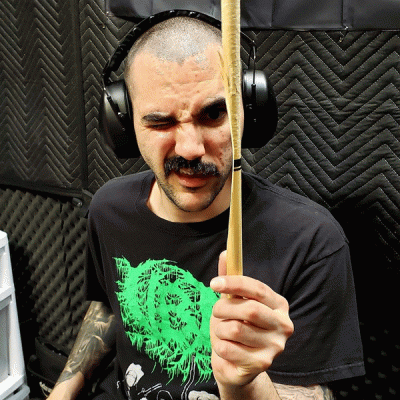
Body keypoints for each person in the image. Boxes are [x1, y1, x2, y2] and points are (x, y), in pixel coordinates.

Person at [48, 14, 365, 400]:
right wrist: (62, 391)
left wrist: (244, 382)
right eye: (160, 122)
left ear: (249, 110)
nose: (190, 149)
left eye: (214, 114)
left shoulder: (311, 241)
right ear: (124, 128)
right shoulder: (109, 208)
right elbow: (109, 307)